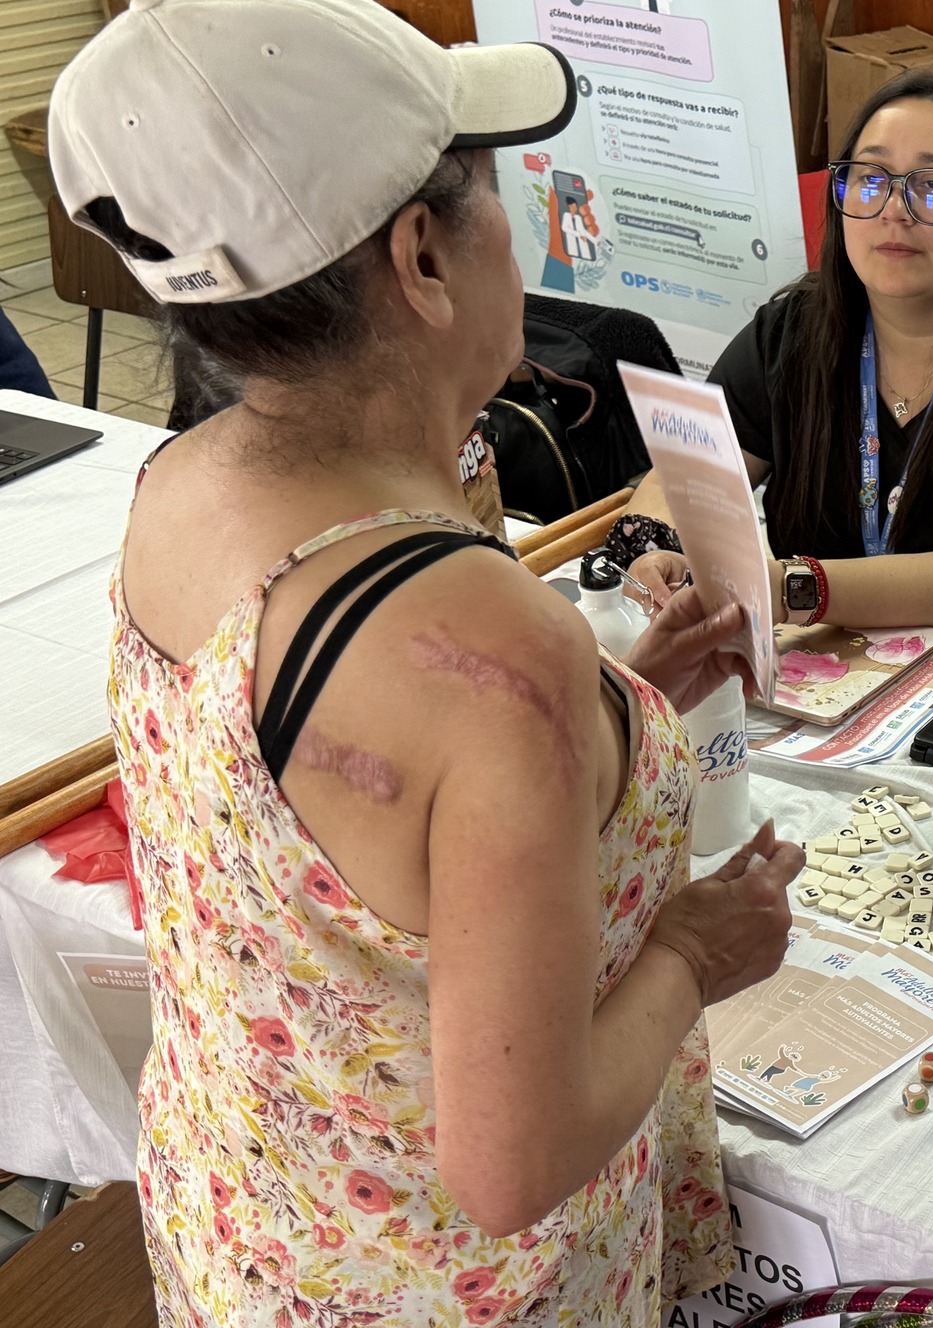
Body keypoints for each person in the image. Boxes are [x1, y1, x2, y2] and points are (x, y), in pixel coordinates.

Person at [46, 4, 800, 1323]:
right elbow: (513, 1163)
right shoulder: (488, 649)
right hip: (454, 1289)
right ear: (421, 256)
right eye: (492, 191)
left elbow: (351, 821)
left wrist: (618, 722)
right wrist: (691, 947)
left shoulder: (181, 485)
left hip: (256, 1243)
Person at [623, 72, 933, 644]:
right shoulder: (793, 330)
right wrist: (657, 547)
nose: (895, 209)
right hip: (825, 675)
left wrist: (791, 587)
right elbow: (687, 476)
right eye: (870, 180)